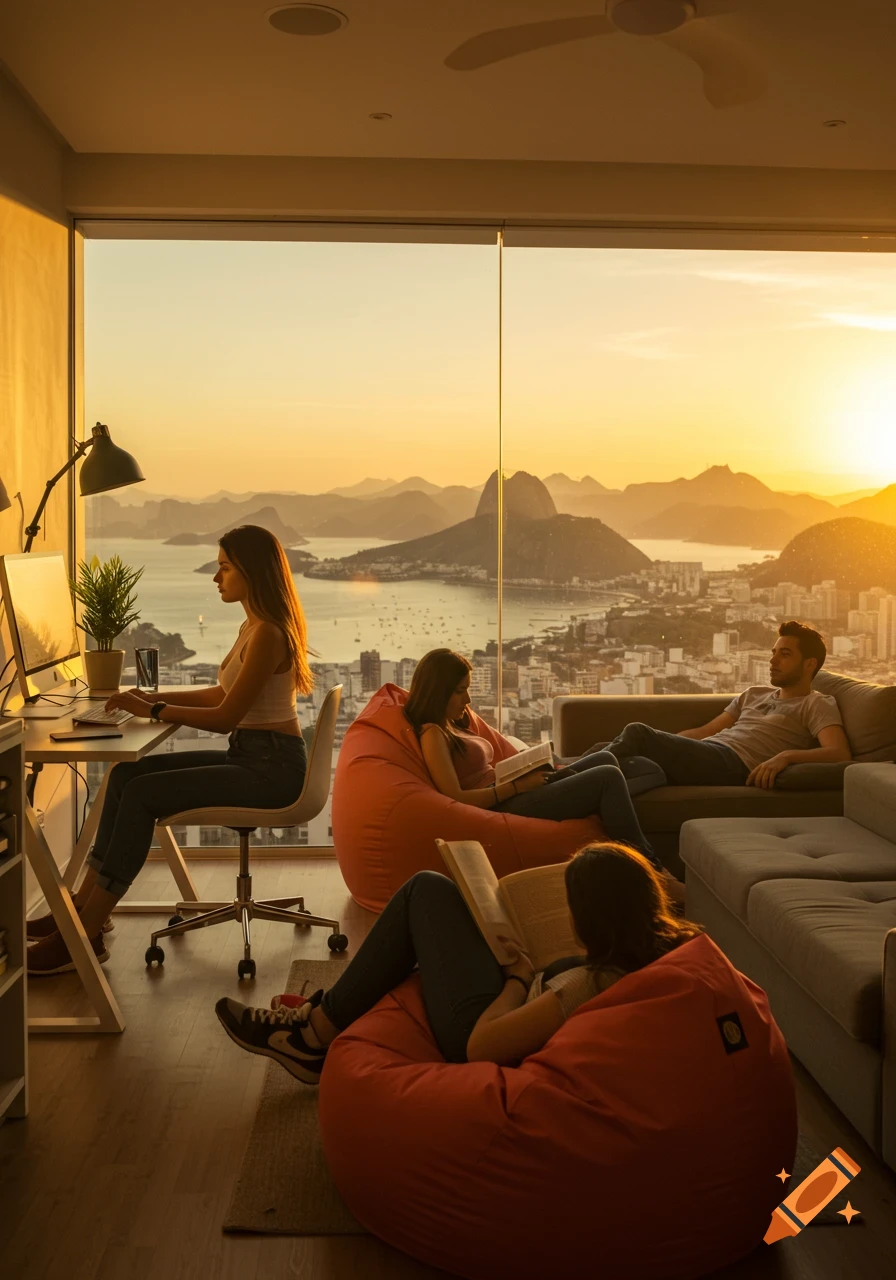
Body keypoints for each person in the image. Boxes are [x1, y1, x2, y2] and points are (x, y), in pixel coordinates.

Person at [27, 524, 314, 975]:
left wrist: (157, 709)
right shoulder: (253, 625)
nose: (216, 578)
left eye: (224, 568)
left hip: (272, 770)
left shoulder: (269, 634)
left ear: (251, 572)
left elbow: (224, 719)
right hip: (255, 756)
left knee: (143, 795)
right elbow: (221, 695)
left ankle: (79, 936)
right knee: (125, 778)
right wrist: (150, 699)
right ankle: (82, 912)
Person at [215, 842, 705, 1081]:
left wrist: (516, 979)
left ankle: (313, 1035)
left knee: (422, 893)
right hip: (522, 989)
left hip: (483, 1018)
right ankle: (319, 1019)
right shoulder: (668, 949)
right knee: (436, 898)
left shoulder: (585, 987)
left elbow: (481, 1046)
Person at [402, 647, 671, 883]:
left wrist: (523, 769)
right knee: (608, 776)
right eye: (461, 691)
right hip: (502, 804)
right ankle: (654, 871)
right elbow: (455, 799)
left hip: (508, 788)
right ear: (439, 692)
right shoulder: (432, 734)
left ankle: (612, 801)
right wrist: (517, 787)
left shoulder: (451, 724)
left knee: (606, 758)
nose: (468, 700)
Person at [602, 620, 852, 793]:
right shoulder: (754, 694)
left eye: (784, 654)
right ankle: (572, 778)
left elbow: (839, 753)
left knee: (636, 732)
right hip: (710, 752)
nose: (772, 660)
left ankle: (563, 777)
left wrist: (785, 757)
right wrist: (666, 745)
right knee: (608, 748)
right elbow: (704, 733)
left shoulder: (816, 703)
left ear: (809, 664)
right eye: (773, 652)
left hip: (735, 765)